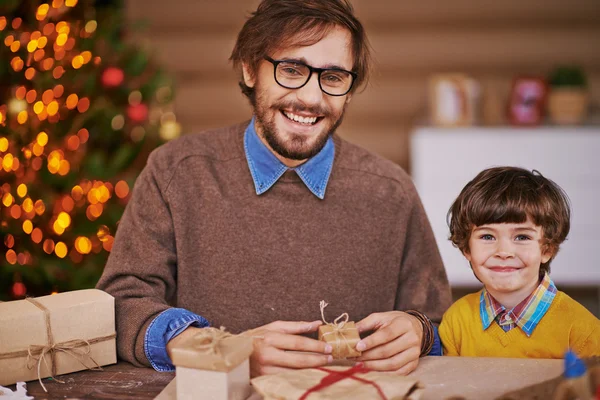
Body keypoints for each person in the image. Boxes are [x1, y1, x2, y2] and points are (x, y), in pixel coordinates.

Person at [96, 0, 451, 377]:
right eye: (291, 69)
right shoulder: (176, 172)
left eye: (332, 78)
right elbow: (123, 302)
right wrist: (226, 352)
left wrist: (420, 332)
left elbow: (442, 324)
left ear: (349, 89)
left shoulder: (391, 191)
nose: (311, 98)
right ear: (250, 69)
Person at [439, 166, 600, 357]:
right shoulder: (456, 321)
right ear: (467, 249)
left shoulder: (582, 331)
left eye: (522, 237)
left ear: (547, 249)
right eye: (488, 237)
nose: (504, 252)